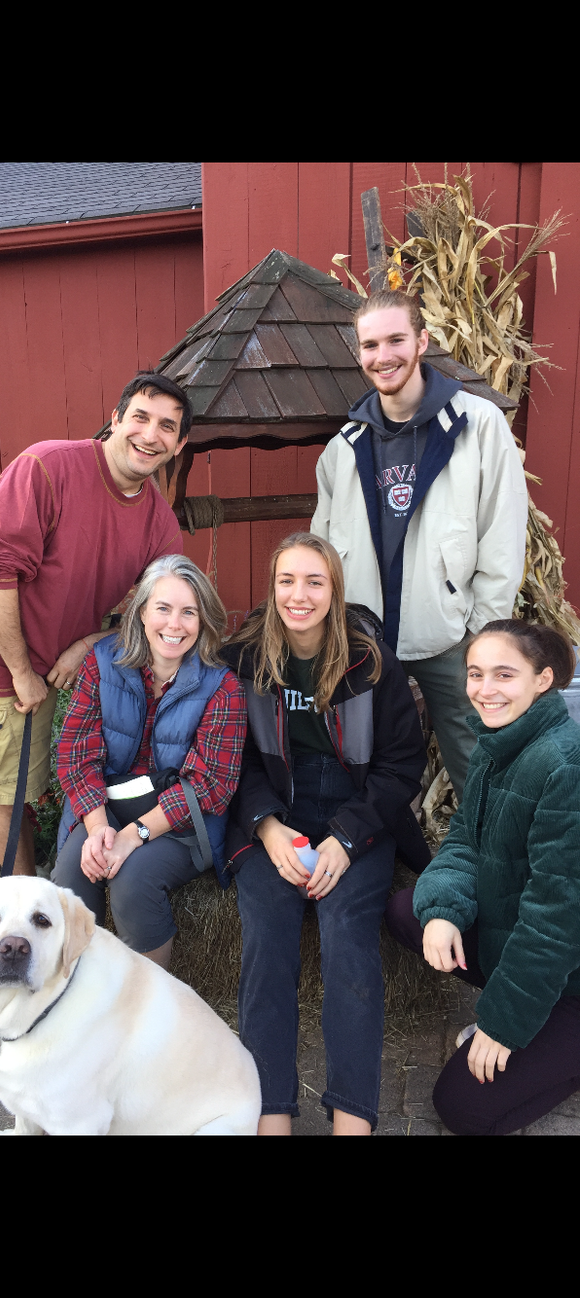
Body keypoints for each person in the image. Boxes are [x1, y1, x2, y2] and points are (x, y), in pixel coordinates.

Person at [0, 372, 190, 876]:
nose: (150, 435)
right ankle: (25, 902)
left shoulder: (159, 520)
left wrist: (88, 644)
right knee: (9, 793)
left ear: (179, 444)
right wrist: (21, 672)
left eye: (167, 427)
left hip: (54, 659)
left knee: (32, 785)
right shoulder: (48, 466)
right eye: (140, 417)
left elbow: (160, 606)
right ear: (115, 420)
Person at [221, 533, 427, 1135]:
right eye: (287, 581)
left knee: (347, 938)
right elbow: (237, 760)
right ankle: (271, 1112)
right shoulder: (246, 660)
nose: (299, 595)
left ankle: (352, 1117)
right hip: (275, 809)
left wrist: (345, 837)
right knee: (265, 939)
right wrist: (265, 827)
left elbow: (400, 768)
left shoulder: (372, 662)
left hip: (356, 808)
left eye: (314, 581)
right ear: (272, 587)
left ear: (334, 589)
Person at [311, 289, 528, 801]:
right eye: (370, 344)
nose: (382, 356)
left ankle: (490, 855)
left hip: (450, 634)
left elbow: (501, 535)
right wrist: (331, 631)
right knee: (356, 753)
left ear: (422, 341)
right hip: (363, 637)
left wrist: (483, 633)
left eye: (395, 340)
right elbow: (321, 548)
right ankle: (368, 848)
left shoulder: (478, 425)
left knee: (477, 759)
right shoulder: (343, 448)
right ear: (358, 353)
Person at [385, 619, 580, 1136]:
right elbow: (464, 844)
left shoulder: (565, 767)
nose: (485, 690)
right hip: (526, 940)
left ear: (543, 679)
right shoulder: (503, 744)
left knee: (462, 1108)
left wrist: (501, 1024)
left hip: (570, 972)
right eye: (475, 673)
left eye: (504, 674)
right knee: (412, 913)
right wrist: (445, 912)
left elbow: (554, 922)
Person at [52, 554, 247, 970]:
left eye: (188, 612)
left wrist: (134, 835)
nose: (174, 625)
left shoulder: (222, 685)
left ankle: (148, 1009)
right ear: (141, 612)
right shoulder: (102, 661)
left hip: (180, 820)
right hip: (104, 806)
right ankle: (77, 1001)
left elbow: (211, 784)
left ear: (204, 620)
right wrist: (101, 829)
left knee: (133, 882)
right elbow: (75, 752)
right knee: (71, 877)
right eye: (163, 608)